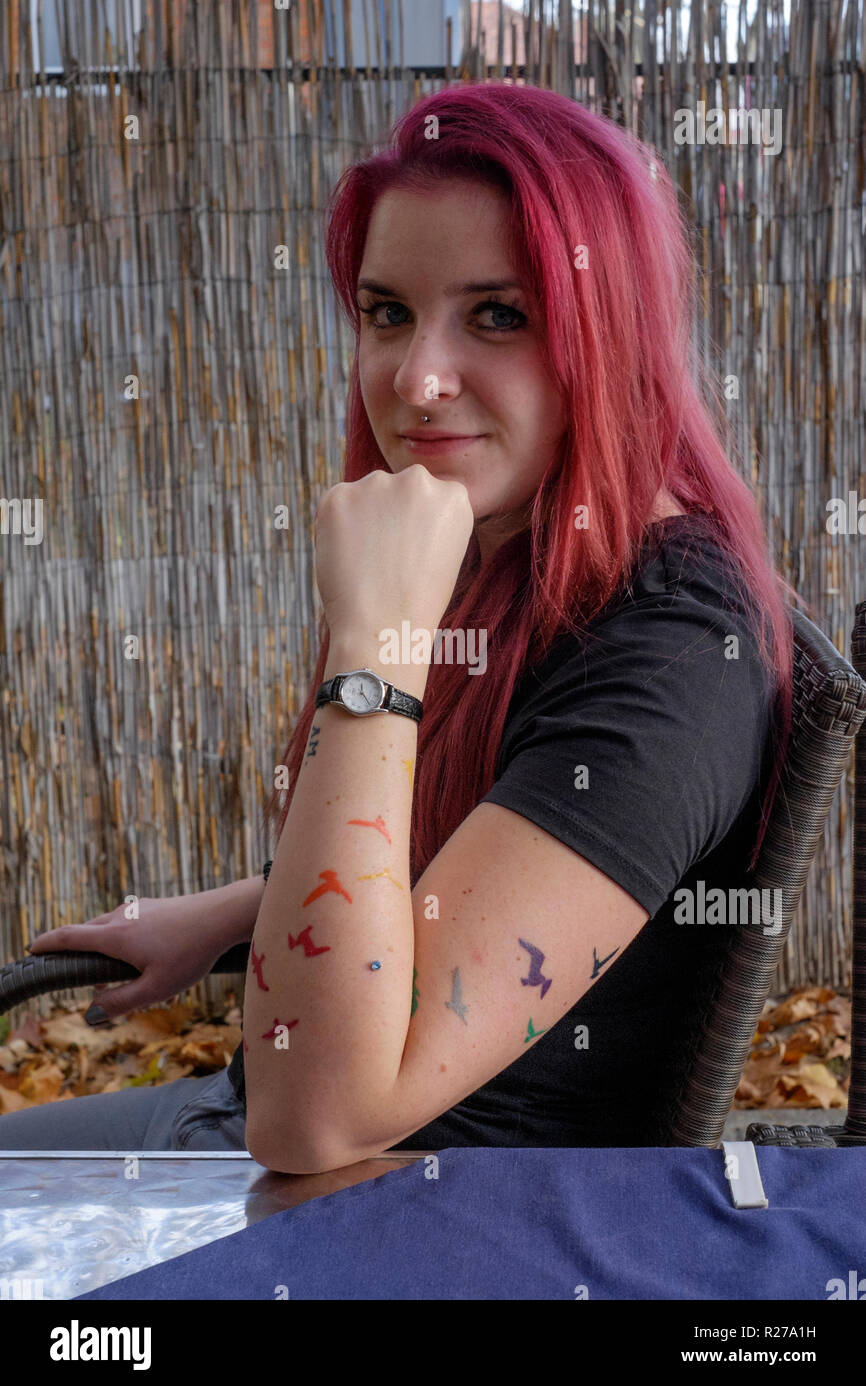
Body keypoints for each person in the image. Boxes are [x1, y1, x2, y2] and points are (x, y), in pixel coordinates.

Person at [0, 82, 797, 1165]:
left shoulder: (668, 654)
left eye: (497, 314)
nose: (417, 379)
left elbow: (317, 1120)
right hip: (265, 1141)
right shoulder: (521, 545)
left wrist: (375, 652)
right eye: (387, 313)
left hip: (397, 1214)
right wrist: (228, 913)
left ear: (607, 334)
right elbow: (462, 873)